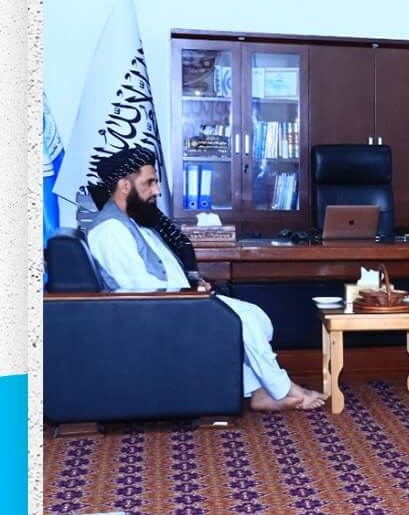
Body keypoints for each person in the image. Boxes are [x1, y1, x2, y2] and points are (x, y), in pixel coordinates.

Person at [82, 144, 327, 411]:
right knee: (244, 321)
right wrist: (188, 294)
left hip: (176, 303)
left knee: (256, 317)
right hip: (155, 316)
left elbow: (161, 271)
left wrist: (192, 285)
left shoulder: (134, 221)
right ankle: (283, 388)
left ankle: (257, 391)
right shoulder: (110, 230)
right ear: (124, 186)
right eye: (149, 183)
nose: (157, 190)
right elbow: (138, 289)